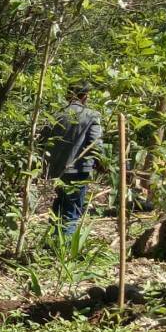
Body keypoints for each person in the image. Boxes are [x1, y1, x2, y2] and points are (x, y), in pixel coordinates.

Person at [44, 82, 105, 235]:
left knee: (59, 205)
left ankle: (52, 241)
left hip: (57, 169)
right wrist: (102, 163)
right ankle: (64, 246)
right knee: (71, 211)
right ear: (84, 96)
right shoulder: (92, 115)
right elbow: (95, 144)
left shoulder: (57, 115)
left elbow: (44, 140)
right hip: (78, 169)